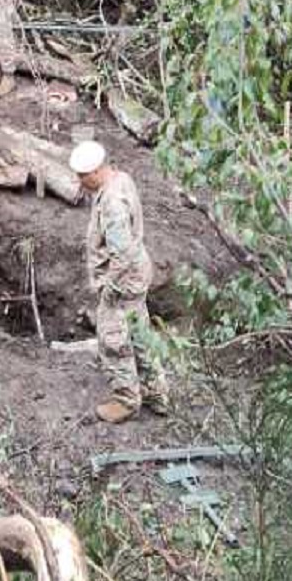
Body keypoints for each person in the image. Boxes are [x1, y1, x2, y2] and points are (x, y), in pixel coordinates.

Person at [70, 141, 169, 424]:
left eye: (82, 175)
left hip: (122, 281)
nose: (80, 182)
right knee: (140, 333)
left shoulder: (112, 203)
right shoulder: (121, 179)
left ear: (96, 171)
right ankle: (156, 393)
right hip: (137, 275)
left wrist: (110, 289)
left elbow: (122, 253)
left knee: (113, 339)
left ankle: (126, 400)